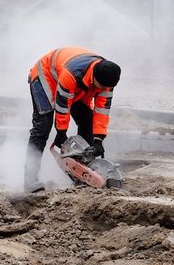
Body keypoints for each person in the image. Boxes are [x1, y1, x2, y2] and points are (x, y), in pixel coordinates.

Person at [24, 46, 121, 192]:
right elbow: (62, 107)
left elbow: (102, 111)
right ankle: (30, 180)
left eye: (105, 88)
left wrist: (98, 140)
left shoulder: (107, 80)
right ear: (94, 76)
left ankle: (82, 173)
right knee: (42, 128)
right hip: (46, 77)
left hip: (75, 86)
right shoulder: (72, 74)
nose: (102, 90)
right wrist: (61, 133)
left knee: (86, 121)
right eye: (100, 86)